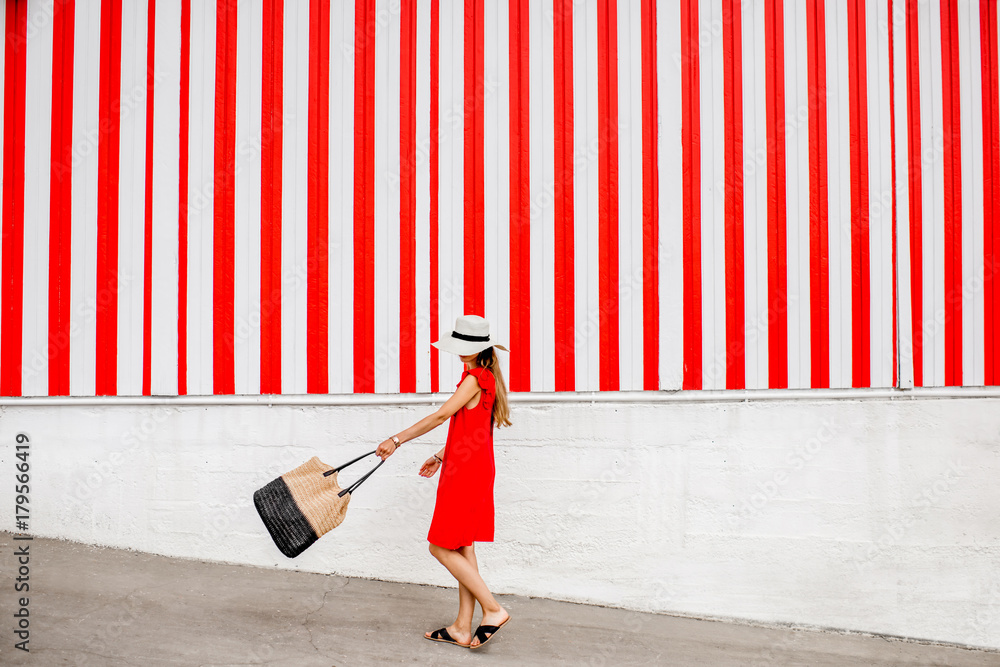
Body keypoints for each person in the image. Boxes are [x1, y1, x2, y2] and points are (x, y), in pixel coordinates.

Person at [375, 314, 512, 650]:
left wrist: (397, 439)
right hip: (471, 466)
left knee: (439, 545)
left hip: (466, 473)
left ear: (479, 348)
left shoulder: (473, 380)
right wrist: (440, 455)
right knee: (463, 545)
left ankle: (493, 609)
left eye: (466, 347)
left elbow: (440, 416)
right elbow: (472, 432)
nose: (460, 352)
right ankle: (461, 627)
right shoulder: (486, 377)